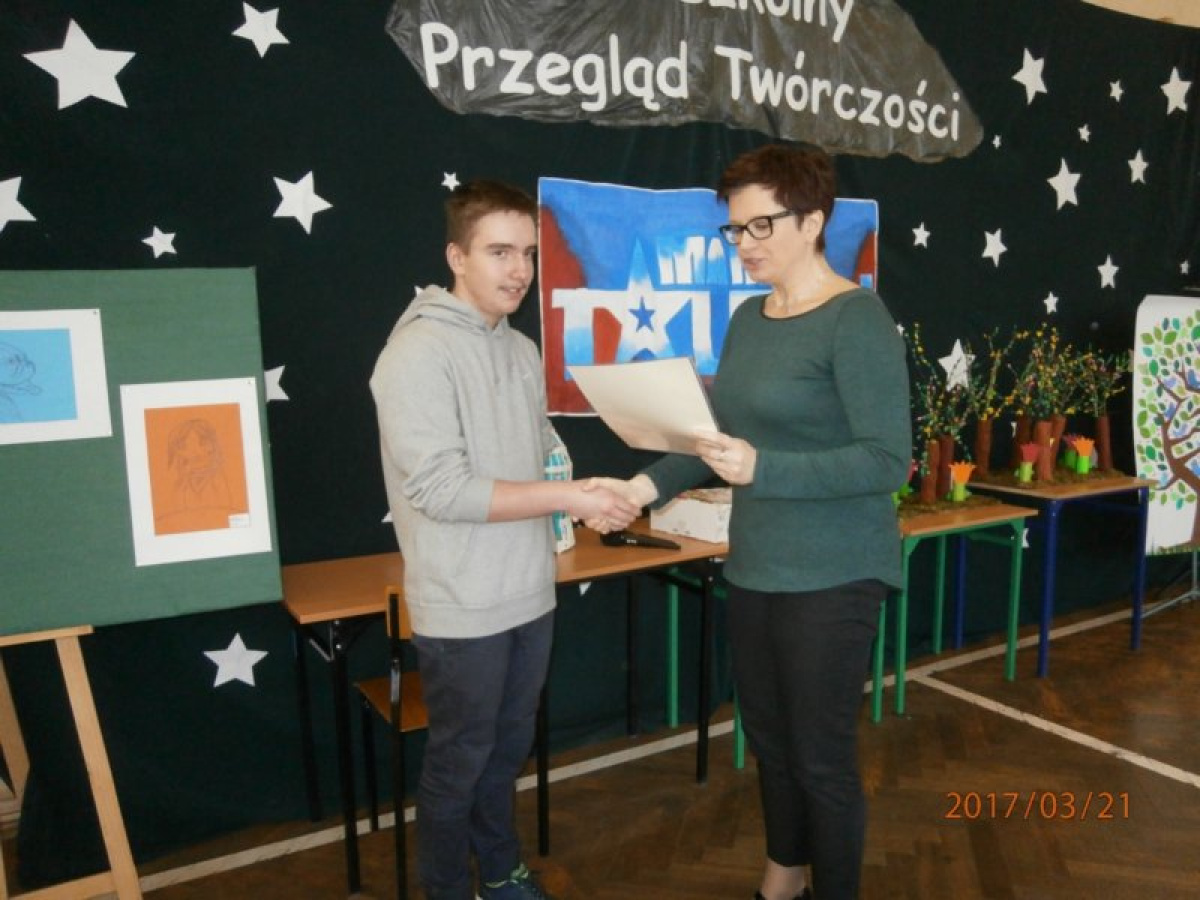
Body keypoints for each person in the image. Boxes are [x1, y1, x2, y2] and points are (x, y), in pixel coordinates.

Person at [603, 144, 911, 900]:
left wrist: (763, 468)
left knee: (821, 759)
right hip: (757, 567)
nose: (743, 243)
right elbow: (717, 439)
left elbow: (886, 461)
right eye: (735, 229)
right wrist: (642, 486)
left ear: (813, 221)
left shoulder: (856, 318)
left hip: (836, 572)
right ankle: (783, 877)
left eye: (760, 226)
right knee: (771, 743)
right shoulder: (748, 318)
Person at [369, 179, 640, 900]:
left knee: (505, 752)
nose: (519, 270)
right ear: (456, 257)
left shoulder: (519, 350)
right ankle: (444, 889)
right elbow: (442, 490)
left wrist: (588, 498)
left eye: (527, 253)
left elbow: (541, 457)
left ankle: (498, 870)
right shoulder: (416, 354)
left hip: (530, 593)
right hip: (463, 605)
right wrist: (569, 497)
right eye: (499, 252)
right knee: (459, 763)